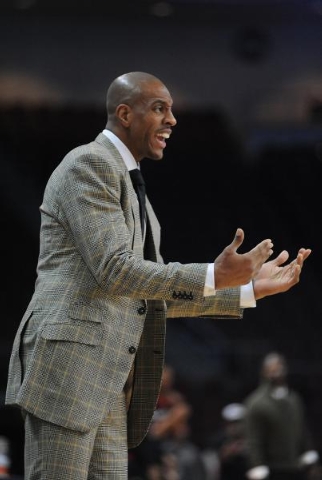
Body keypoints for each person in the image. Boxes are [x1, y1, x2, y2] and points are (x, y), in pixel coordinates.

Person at [5, 71, 311, 480]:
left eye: (172, 110)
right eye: (160, 108)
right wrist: (213, 274)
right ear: (125, 114)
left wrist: (247, 291)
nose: (172, 120)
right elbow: (117, 272)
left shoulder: (136, 193)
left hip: (112, 384)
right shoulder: (88, 164)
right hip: (70, 373)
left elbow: (147, 296)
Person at [243, 352, 320, 480]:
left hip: (295, 464)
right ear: (264, 372)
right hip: (272, 467)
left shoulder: (294, 399)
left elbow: (302, 428)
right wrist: (256, 464)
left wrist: (308, 451)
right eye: (271, 369)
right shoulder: (256, 403)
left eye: (279, 368)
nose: (276, 373)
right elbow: (253, 438)